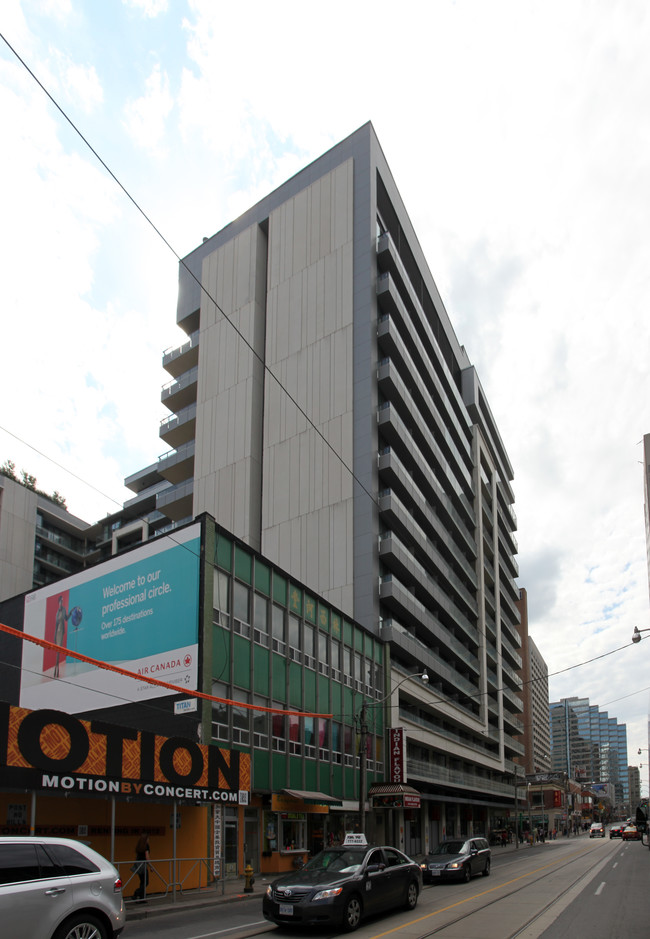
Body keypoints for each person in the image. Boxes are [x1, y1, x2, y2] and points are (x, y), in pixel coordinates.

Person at [53, 596, 70, 678]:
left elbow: (66, 618)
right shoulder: (57, 613)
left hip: (61, 632)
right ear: (58, 602)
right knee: (57, 652)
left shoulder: (63, 610)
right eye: (60, 601)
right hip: (58, 633)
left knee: (59, 652)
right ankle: (56, 670)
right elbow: (56, 626)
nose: (61, 603)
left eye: (62, 601)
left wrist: (70, 613)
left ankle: (57, 670)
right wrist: (54, 637)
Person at [133, 831, 150, 901]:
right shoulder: (146, 846)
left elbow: (137, 856)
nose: (149, 840)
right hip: (143, 865)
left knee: (142, 881)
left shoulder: (139, 846)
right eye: (148, 839)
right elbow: (147, 856)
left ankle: (142, 897)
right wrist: (151, 866)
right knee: (146, 882)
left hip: (138, 865)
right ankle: (137, 893)